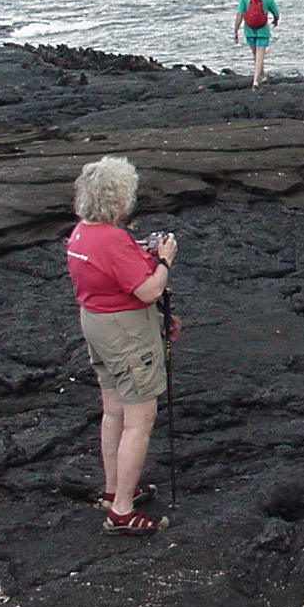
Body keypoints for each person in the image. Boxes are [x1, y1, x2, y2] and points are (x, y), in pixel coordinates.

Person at [65, 156, 179, 536]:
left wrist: (158, 320)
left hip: (97, 324)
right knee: (140, 419)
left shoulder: (81, 233)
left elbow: (111, 278)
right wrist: (164, 261)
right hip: (126, 334)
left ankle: (114, 489)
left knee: (113, 410)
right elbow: (148, 290)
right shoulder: (112, 240)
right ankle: (122, 512)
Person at [232, 0, 279, 89]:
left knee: (256, 56)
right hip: (263, 30)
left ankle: (262, 77)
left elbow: (239, 15)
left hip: (249, 30)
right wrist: (275, 21)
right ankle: (256, 81)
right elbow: (276, 13)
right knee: (260, 56)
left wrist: (235, 31)